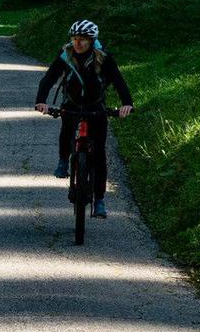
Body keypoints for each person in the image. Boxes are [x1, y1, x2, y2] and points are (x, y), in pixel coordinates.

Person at [34, 19, 133, 218]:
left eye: (83, 39)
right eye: (75, 38)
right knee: (67, 130)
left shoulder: (104, 57)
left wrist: (127, 103)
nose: (78, 43)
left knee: (99, 154)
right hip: (71, 103)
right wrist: (41, 101)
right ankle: (63, 160)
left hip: (96, 107)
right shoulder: (65, 55)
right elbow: (49, 78)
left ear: (91, 40)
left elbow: (118, 81)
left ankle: (100, 200)